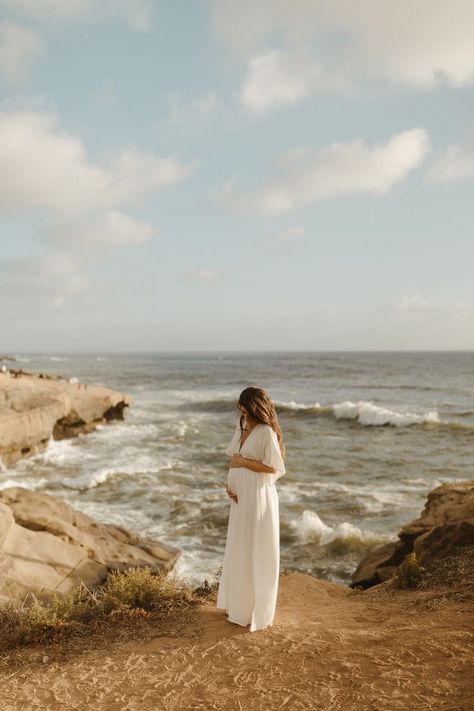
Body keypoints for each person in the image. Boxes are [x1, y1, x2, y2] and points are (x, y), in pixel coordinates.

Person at [216, 386, 286, 632]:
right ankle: (238, 607)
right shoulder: (242, 425)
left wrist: (243, 463)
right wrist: (229, 485)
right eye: (240, 408)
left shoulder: (266, 432)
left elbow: (274, 468)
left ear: (256, 407)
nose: (242, 412)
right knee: (240, 548)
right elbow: (233, 458)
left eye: (245, 408)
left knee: (257, 549)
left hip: (258, 498)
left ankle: (256, 611)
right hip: (240, 499)